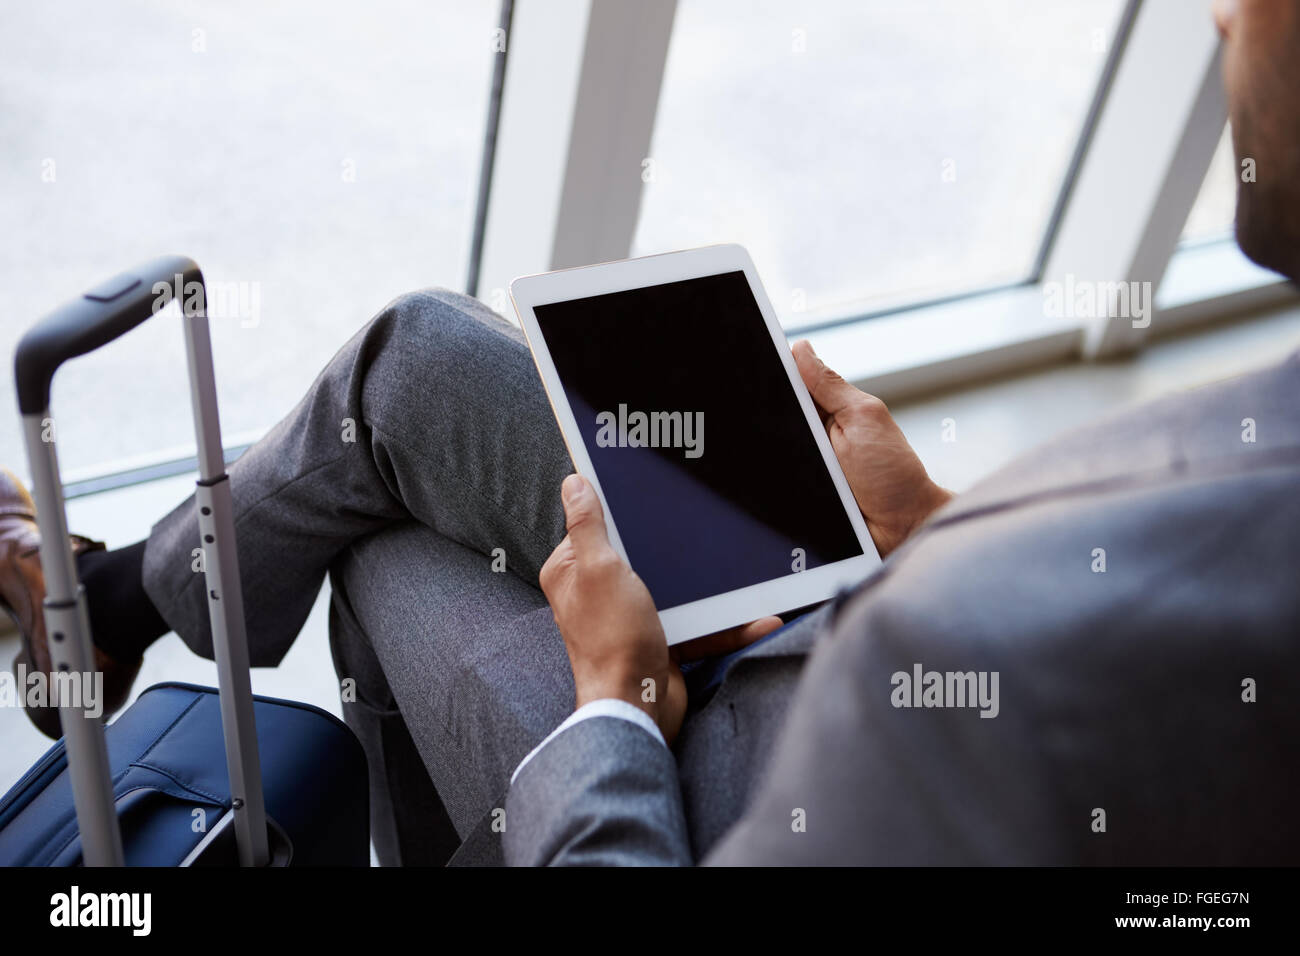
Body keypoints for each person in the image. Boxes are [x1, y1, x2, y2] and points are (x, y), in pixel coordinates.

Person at [2, 0, 1298, 865]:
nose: (1223, 14)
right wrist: (927, 530)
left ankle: (115, 607)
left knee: (380, 547)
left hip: (729, 783)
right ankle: (120, 602)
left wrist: (614, 705)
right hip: (838, 615)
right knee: (420, 372)